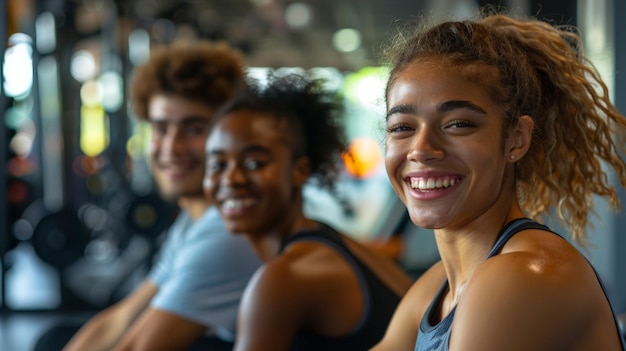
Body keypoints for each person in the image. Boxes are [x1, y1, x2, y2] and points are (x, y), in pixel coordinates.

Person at [371, 8, 626, 351]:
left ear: (517, 138)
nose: (421, 149)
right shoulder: (439, 285)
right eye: (402, 128)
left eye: (458, 124)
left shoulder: (522, 275)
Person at [54, 41, 263, 351]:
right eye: (161, 128)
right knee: (54, 339)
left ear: (228, 135)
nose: (172, 148)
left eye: (193, 129)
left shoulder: (227, 232)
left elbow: (134, 347)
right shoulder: (192, 224)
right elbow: (121, 318)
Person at [203, 73, 414, 351]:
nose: (232, 179)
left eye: (254, 163)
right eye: (218, 165)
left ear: (300, 171)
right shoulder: (328, 242)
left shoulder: (286, 278)